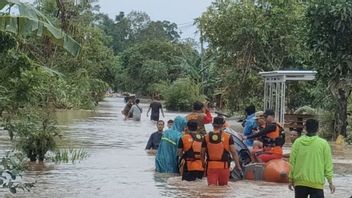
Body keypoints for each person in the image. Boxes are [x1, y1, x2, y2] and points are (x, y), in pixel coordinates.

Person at [289, 119, 335, 198]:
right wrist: (330, 182)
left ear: (305, 128)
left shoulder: (297, 142)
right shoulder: (323, 144)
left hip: (300, 182)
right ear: (318, 129)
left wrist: (291, 179)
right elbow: (328, 165)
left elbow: (292, 162)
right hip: (316, 183)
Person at [201, 116, 242, 186]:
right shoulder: (228, 136)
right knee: (223, 188)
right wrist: (238, 166)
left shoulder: (206, 136)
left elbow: (202, 153)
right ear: (223, 125)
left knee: (211, 188)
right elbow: (234, 152)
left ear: (212, 124)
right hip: (224, 167)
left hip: (211, 166)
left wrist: (203, 164)